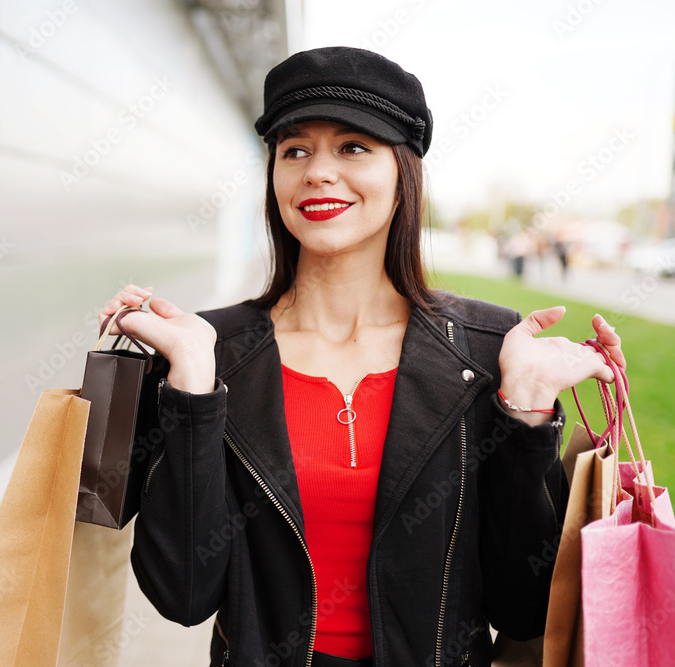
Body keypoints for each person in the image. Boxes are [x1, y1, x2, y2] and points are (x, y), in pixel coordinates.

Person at [97, 47, 625, 667]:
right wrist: (189, 386)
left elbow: (523, 605)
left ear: (403, 172)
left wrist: (528, 410)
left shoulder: (489, 350)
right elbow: (183, 594)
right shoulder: (214, 352)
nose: (317, 171)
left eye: (353, 147)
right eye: (295, 150)